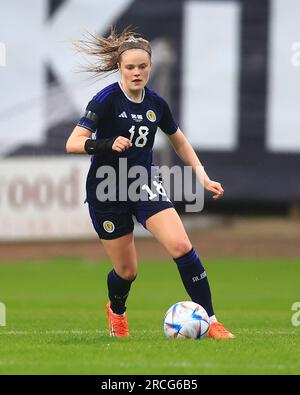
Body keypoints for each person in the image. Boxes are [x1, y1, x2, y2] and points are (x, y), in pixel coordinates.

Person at [66, 27, 234, 339]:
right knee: (127, 272)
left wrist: (202, 175)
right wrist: (105, 144)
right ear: (120, 68)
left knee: (182, 246)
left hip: (145, 185)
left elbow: (179, 141)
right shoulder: (105, 101)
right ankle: (116, 310)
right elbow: (73, 143)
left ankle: (211, 321)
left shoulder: (156, 103)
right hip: (107, 189)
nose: (136, 72)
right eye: (130, 67)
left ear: (150, 67)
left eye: (142, 67)